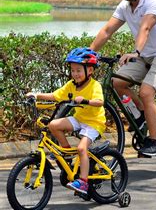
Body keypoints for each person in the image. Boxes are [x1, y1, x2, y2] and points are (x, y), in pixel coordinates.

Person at [90, 0, 156, 157]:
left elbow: (145, 28)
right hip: (144, 55)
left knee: (146, 92)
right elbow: (107, 31)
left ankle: (154, 142)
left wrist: (136, 51)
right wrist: (88, 53)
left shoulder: (153, 1)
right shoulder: (124, 6)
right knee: (117, 83)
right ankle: (139, 116)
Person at [26, 47, 106, 194]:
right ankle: (68, 152)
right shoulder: (71, 85)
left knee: (82, 149)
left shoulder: (95, 85)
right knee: (53, 125)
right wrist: (36, 95)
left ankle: (83, 182)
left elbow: (100, 102)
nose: (75, 74)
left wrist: (86, 101)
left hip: (94, 123)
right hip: (79, 119)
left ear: (90, 70)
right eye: (73, 70)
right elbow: (55, 96)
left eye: (78, 70)